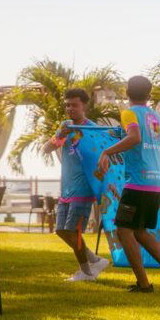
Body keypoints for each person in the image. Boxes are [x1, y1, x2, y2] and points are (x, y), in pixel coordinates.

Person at [98, 75, 160, 293]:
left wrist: (107, 151)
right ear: (149, 96)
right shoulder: (156, 117)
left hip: (139, 181)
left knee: (124, 231)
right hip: (156, 182)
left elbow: (135, 137)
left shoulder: (129, 113)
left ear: (127, 93)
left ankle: (144, 285)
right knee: (139, 231)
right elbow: (139, 138)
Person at [43, 87, 109, 282]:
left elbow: (103, 157)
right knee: (61, 231)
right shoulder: (65, 127)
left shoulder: (92, 130)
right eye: (68, 105)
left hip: (83, 189)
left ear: (84, 106)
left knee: (74, 231)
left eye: (74, 105)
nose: (70, 109)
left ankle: (86, 273)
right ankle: (95, 261)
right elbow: (47, 149)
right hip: (66, 189)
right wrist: (60, 137)